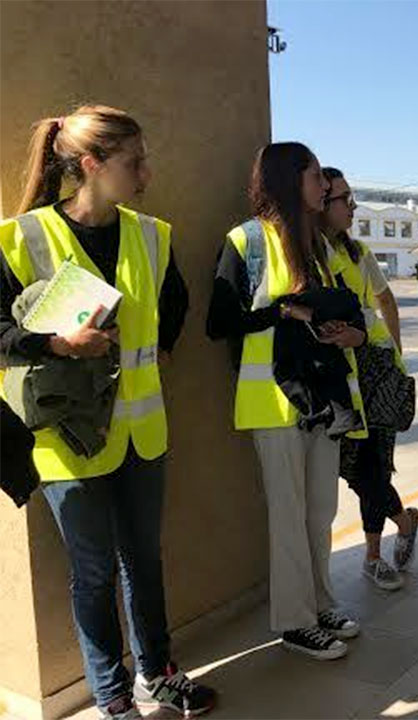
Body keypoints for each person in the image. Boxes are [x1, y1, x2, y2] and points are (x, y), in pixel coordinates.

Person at [0, 106, 215, 720]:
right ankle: (111, 692)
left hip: (142, 430)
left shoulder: (152, 234)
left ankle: (158, 673)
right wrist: (56, 345)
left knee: (144, 562)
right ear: (91, 165)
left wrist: (157, 350)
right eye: (134, 163)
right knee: (92, 571)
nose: (146, 175)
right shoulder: (20, 238)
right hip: (66, 438)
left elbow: (175, 304)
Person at [206, 143, 363, 661]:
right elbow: (219, 322)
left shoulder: (317, 244)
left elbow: (335, 312)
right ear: (290, 180)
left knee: (320, 511)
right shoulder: (245, 241)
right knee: (290, 516)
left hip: (320, 397)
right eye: (318, 176)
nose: (325, 186)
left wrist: (345, 331)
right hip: (271, 401)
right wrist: (284, 311)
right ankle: (296, 623)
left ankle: (321, 603)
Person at [317, 167, 418, 591]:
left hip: (375, 368)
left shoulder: (358, 251)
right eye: (344, 199)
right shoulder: (310, 252)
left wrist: (395, 353)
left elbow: (385, 299)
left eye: (351, 197)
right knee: (354, 468)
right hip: (340, 373)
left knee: (374, 465)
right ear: (320, 202)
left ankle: (373, 556)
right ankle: (405, 520)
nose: (353, 206)